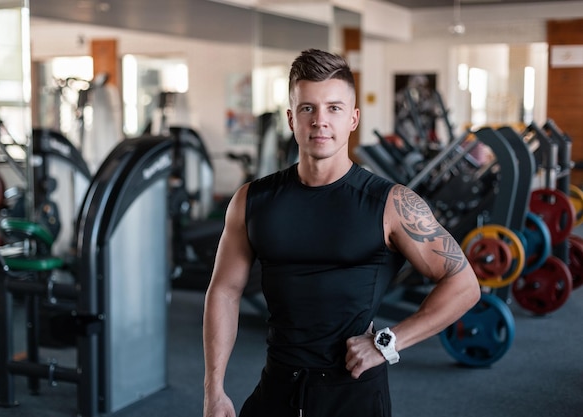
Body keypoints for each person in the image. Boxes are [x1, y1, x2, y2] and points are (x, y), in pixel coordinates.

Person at [203, 48, 480, 417]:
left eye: (334, 108)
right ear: (291, 118)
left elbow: (464, 285)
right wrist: (214, 389)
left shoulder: (391, 204)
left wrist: (388, 342)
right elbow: (224, 291)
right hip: (277, 389)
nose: (320, 121)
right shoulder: (252, 200)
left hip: (353, 394)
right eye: (308, 109)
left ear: (353, 118)